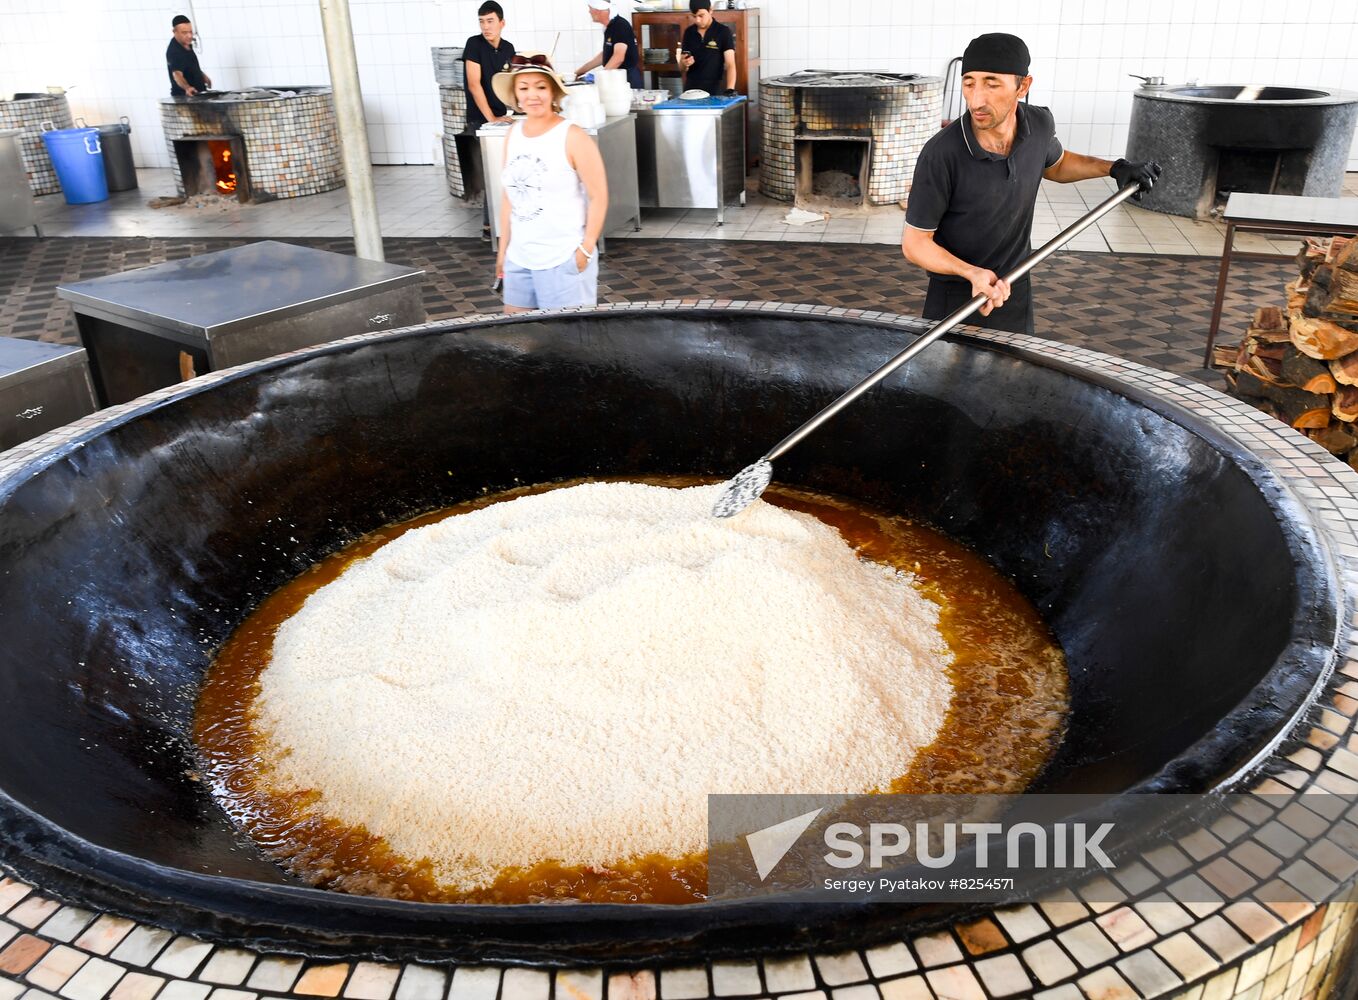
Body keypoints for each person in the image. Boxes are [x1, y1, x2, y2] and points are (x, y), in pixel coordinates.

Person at [902, 33, 1161, 334]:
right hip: (957, 295)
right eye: (969, 83)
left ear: (1022, 86)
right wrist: (971, 273)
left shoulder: (1038, 125)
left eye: (992, 83)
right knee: (945, 381)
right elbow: (915, 244)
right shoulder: (942, 154)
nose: (976, 99)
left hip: (1015, 286)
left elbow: (1057, 163)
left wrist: (1115, 168)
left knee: (1018, 379)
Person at [492, 54, 609, 312]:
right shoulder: (513, 135)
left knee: (566, 346)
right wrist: (504, 251)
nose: (532, 95)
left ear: (554, 93)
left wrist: (586, 249)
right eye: (524, 88)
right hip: (519, 259)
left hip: (562, 258)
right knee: (519, 342)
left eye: (541, 87)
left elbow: (599, 196)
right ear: (516, 96)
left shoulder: (572, 136)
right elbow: (508, 198)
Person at [464, 2, 516, 130]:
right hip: (478, 120)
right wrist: (491, 119)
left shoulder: (508, 48)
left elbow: (511, 82)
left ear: (502, 23)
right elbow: (473, 84)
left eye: (490, 21)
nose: (485, 27)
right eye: (481, 21)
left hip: (500, 116)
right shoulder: (474, 44)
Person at [575, 0, 643, 90]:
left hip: (627, 80)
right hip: (616, 77)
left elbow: (618, 57)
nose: (589, 12)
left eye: (590, 8)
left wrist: (600, 78)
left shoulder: (620, 26)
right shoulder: (610, 27)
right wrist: (578, 73)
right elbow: (605, 55)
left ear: (598, 10)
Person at [679, 0, 736, 96]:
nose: (697, 20)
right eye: (694, 16)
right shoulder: (689, 32)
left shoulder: (723, 32)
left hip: (715, 89)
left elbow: (730, 64)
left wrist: (730, 89)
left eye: (701, 16)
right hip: (691, 90)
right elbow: (681, 67)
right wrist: (684, 63)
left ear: (710, 10)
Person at [166, 15, 211, 97]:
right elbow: (177, 75)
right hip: (185, 98)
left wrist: (202, 75)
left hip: (198, 94)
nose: (189, 36)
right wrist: (187, 88)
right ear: (174, 32)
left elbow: (189, 66)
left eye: (190, 32)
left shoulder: (186, 44)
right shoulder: (174, 51)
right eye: (184, 33)